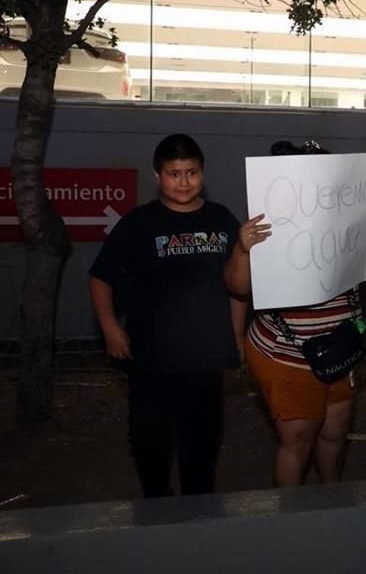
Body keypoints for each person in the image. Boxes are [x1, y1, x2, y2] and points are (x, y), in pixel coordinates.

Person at [224, 140, 366, 487]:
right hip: (286, 355)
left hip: (340, 350)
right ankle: (292, 517)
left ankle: (331, 496)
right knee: (297, 440)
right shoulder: (265, 227)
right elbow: (237, 287)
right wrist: (242, 248)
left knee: (334, 432)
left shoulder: (343, 218)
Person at [89, 133, 246, 498]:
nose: (184, 182)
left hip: (205, 360)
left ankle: (198, 524)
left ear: (202, 174)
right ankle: (155, 522)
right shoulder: (138, 223)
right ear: (157, 176)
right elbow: (99, 277)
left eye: (191, 173)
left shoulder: (221, 219)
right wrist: (111, 328)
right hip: (151, 359)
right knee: (151, 449)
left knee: (202, 450)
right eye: (174, 173)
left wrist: (237, 338)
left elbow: (238, 286)